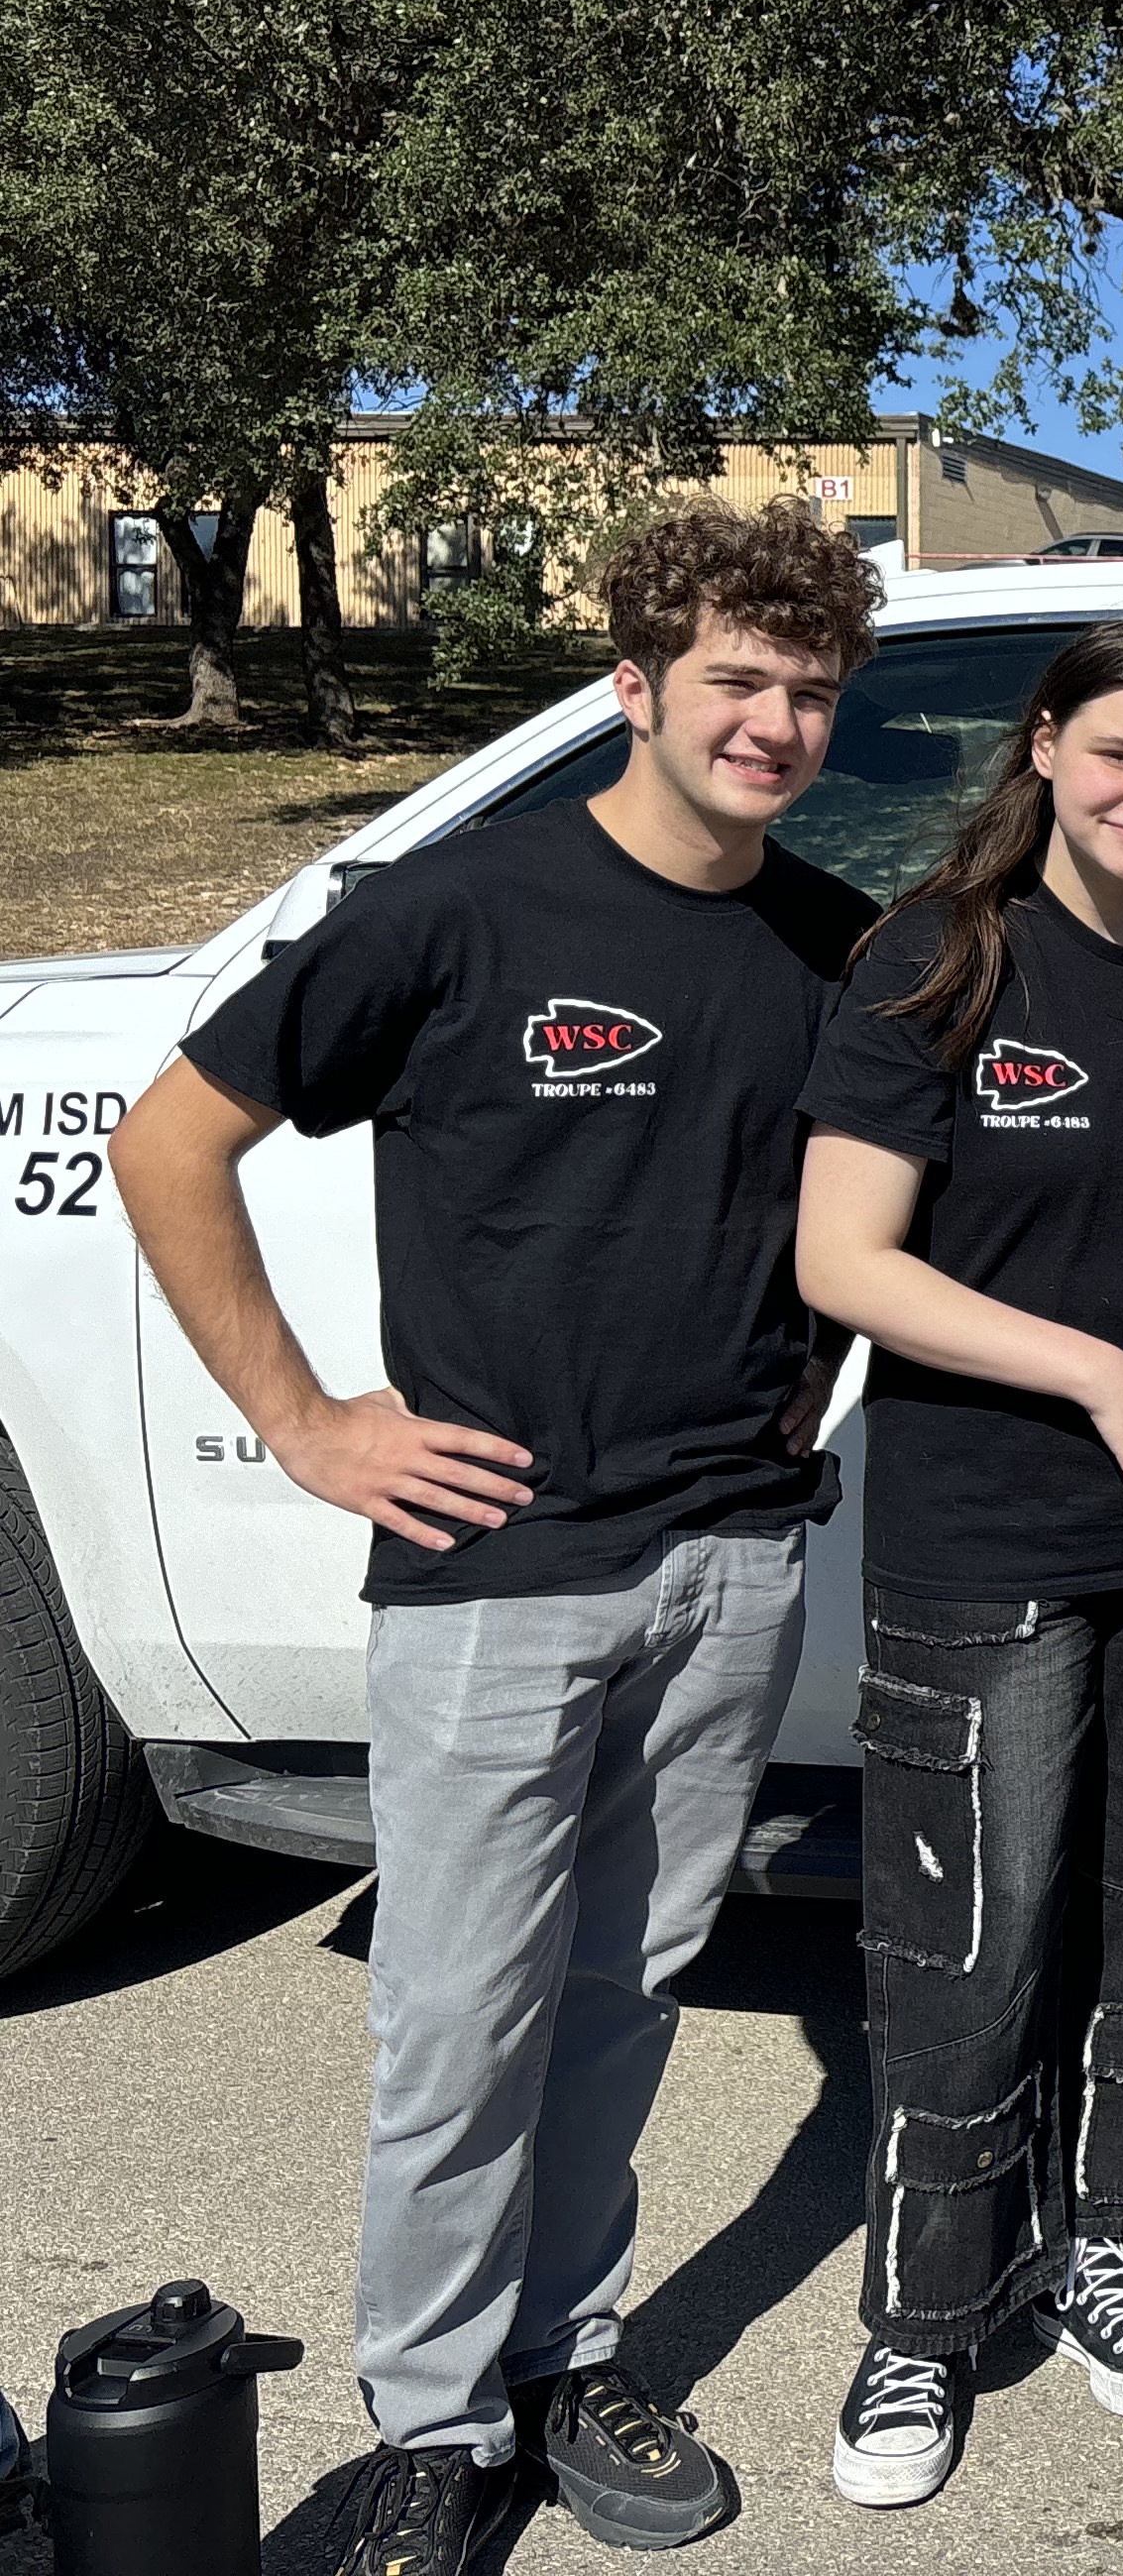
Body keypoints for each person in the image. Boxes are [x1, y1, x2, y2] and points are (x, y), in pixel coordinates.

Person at [109, 504, 881, 2575]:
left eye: (810, 689)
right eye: (733, 680)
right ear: (633, 689)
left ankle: (564, 2353)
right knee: (460, 2020)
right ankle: (434, 2427)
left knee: (625, 1989)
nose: (775, 722)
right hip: (496, 1565)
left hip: (728, 1556)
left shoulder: (825, 945)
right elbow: (170, 1139)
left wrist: (794, 1386)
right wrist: (304, 1419)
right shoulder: (458, 915)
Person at [794, 616, 1123, 2509]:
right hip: (989, 1535)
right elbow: (847, 1261)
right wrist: (1098, 1374)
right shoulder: (945, 956)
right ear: (1049, 746)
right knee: (965, 1952)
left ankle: (1109, 2253)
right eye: (1121, 756)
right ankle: (922, 2323)